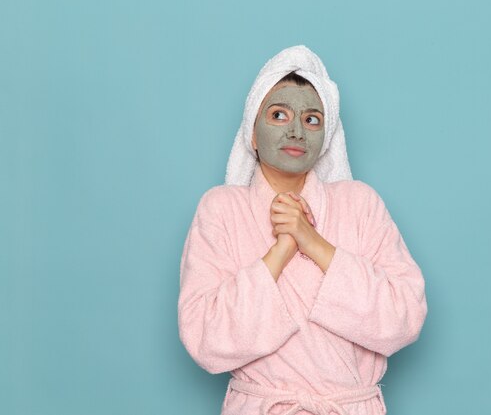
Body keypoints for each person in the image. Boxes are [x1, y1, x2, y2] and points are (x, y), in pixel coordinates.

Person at [178, 45, 428, 415]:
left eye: (312, 119)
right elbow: (204, 338)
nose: (296, 130)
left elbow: (405, 315)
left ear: (326, 136)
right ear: (252, 132)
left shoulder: (360, 204)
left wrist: (313, 242)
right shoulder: (221, 209)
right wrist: (280, 250)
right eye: (279, 115)